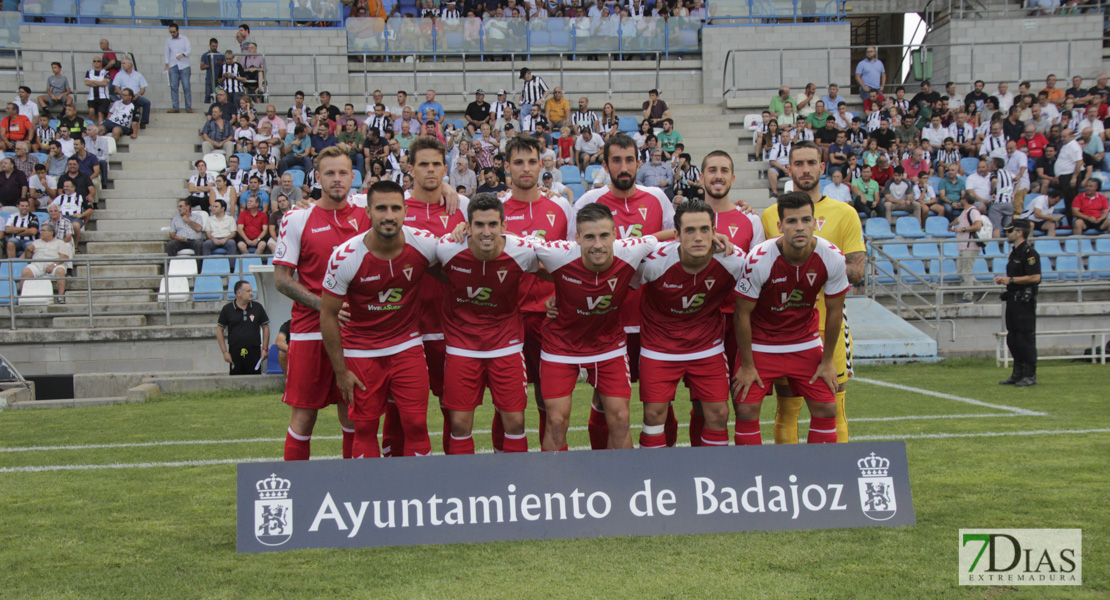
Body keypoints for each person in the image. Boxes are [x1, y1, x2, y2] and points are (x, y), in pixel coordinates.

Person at [320, 180, 439, 459]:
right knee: (364, 427)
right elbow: (327, 315)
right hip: (362, 350)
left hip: (406, 346)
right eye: (381, 208)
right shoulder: (345, 257)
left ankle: (417, 494)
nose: (389, 215)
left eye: (396, 208)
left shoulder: (423, 244)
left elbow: (461, 257)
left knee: (416, 424)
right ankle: (369, 496)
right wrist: (340, 371)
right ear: (369, 212)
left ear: (406, 210)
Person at [530, 203, 663, 451]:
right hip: (561, 347)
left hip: (608, 346)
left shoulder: (632, 250)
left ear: (615, 235)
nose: (598, 244)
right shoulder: (558, 253)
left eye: (604, 235)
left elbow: (667, 236)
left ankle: (619, 487)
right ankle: (557, 486)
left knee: (622, 420)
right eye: (589, 237)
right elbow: (510, 243)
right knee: (556, 422)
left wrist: (714, 236)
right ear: (577, 238)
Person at [574, 133, 677, 449]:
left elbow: (677, 240)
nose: (623, 166)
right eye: (616, 160)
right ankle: (603, 468)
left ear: (638, 162)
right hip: (606, 318)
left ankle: (663, 466)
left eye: (629, 159)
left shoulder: (657, 198)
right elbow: (574, 256)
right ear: (605, 164)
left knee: (660, 400)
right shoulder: (589, 202)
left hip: (652, 319)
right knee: (604, 402)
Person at [760, 141, 866, 445]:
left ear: (823, 167)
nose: (805, 169)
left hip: (829, 323)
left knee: (834, 404)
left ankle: (837, 473)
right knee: (787, 406)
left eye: (811, 163)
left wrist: (813, 264)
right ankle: (789, 476)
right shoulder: (770, 215)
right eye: (799, 164)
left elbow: (857, 271)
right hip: (786, 326)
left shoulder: (845, 213)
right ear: (789, 169)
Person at [274, 146, 369, 461]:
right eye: (330, 173)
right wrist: (322, 306)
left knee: (353, 416)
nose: (337, 179)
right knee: (303, 418)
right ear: (317, 177)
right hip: (310, 332)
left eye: (343, 172)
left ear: (352, 176)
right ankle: (296, 491)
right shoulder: (297, 218)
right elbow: (282, 279)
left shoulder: (367, 212)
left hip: (354, 334)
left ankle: (353, 490)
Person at [732, 192, 848, 445]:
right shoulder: (759, 259)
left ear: (815, 223)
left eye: (806, 220)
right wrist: (748, 365)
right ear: (779, 226)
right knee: (745, 410)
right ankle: (751, 478)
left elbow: (836, 311)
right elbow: (742, 313)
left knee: (827, 408)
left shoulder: (833, 257)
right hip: (761, 344)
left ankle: (819, 477)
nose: (800, 227)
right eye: (792, 221)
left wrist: (827, 361)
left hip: (804, 342)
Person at [485, 136, 575, 451]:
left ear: (542, 164)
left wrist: (564, 300)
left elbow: (573, 262)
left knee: (549, 400)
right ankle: (504, 463)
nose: (526, 168)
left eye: (532, 161)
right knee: (508, 401)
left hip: (548, 317)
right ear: (507, 166)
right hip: (507, 318)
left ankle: (549, 471)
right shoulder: (495, 210)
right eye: (519, 162)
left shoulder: (561, 207)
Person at [380, 136, 468, 456]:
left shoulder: (464, 207)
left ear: (445, 168)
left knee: (453, 409)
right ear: (410, 168)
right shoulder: (394, 208)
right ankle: (396, 487)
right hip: (404, 329)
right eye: (423, 164)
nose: (430, 170)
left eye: (436, 164)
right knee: (398, 412)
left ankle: (450, 479)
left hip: (451, 326)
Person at [633, 201, 744, 449]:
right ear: (677, 235)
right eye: (690, 231)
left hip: (706, 346)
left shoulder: (733, 261)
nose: (698, 237)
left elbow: (759, 289)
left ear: (715, 232)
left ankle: (711, 478)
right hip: (659, 347)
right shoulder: (654, 262)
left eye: (705, 230)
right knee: (653, 416)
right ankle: (655, 481)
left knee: (718, 414)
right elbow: (618, 280)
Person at [436, 194, 539, 454]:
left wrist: (556, 299)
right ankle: (466, 490)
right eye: (479, 225)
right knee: (459, 424)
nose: (486, 232)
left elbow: (563, 267)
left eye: (493, 224)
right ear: (467, 226)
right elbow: (421, 267)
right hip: (462, 345)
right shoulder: (446, 248)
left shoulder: (523, 250)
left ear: (504, 226)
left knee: (515, 422)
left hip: (506, 344)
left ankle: (513, 487)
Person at [995, 219, 1041, 388]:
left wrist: (1011, 279)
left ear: (1019, 232)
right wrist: (1005, 281)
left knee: (1025, 338)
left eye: (1009, 231)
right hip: (1013, 299)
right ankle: (1018, 373)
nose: (1007, 234)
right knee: (1013, 338)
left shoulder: (1029, 253)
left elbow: (1036, 277)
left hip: (1024, 301)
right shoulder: (1015, 252)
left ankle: (1030, 374)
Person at [216, 279, 269, 375]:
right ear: (238, 293)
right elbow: (219, 330)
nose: (251, 294)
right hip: (235, 351)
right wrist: (224, 352)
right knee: (236, 383)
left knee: (255, 381)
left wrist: (265, 348)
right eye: (248, 291)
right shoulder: (227, 309)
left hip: (254, 351)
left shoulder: (258, 307)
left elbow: (265, 327)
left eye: (251, 291)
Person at [19, 223, 70, 303]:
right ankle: (22, 295)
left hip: (53, 265)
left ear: (51, 232)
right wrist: (28, 250)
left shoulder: (60, 242)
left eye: (43, 230)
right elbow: (28, 257)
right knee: (25, 271)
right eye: (40, 230)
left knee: (60, 270)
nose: (40, 232)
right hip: (37, 266)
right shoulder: (36, 242)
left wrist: (54, 265)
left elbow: (64, 257)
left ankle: (61, 296)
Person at [950, 198, 984, 303]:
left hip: (970, 245)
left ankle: (968, 297)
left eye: (961, 198)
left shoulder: (973, 211)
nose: (959, 200)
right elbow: (958, 220)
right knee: (961, 271)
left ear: (965, 199)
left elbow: (978, 225)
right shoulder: (965, 212)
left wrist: (963, 229)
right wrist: (951, 225)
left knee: (966, 272)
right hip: (963, 245)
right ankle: (981, 287)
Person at [111, 57, 150, 130]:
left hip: (135, 96)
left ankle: (143, 122)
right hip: (124, 97)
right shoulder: (119, 75)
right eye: (122, 63)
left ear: (130, 64)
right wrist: (122, 94)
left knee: (146, 103)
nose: (122, 65)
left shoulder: (138, 75)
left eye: (124, 63)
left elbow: (143, 88)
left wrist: (139, 95)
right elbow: (116, 87)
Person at [164, 23, 192, 114]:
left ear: (178, 30)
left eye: (174, 32)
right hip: (173, 65)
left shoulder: (184, 39)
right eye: (171, 32)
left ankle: (188, 107)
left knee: (186, 87)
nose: (172, 34)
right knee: (174, 87)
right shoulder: (168, 40)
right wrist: (166, 64)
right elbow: (167, 52)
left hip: (184, 65)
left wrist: (183, 55)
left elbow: (189, 49)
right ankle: (175, 107)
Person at [199, 38, 224, 104]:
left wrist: (220, 63)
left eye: (216, 46)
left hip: (218, 79)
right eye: (213, 46)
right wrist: (210, 65)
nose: (214, 48)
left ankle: (218, 108)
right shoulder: (205, 55)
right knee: (208, 94)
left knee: (218, 95)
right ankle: (206, 109)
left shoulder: (220, 55)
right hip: (209, 78)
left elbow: (225, 64)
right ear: (210, 45)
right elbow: (201, 67)